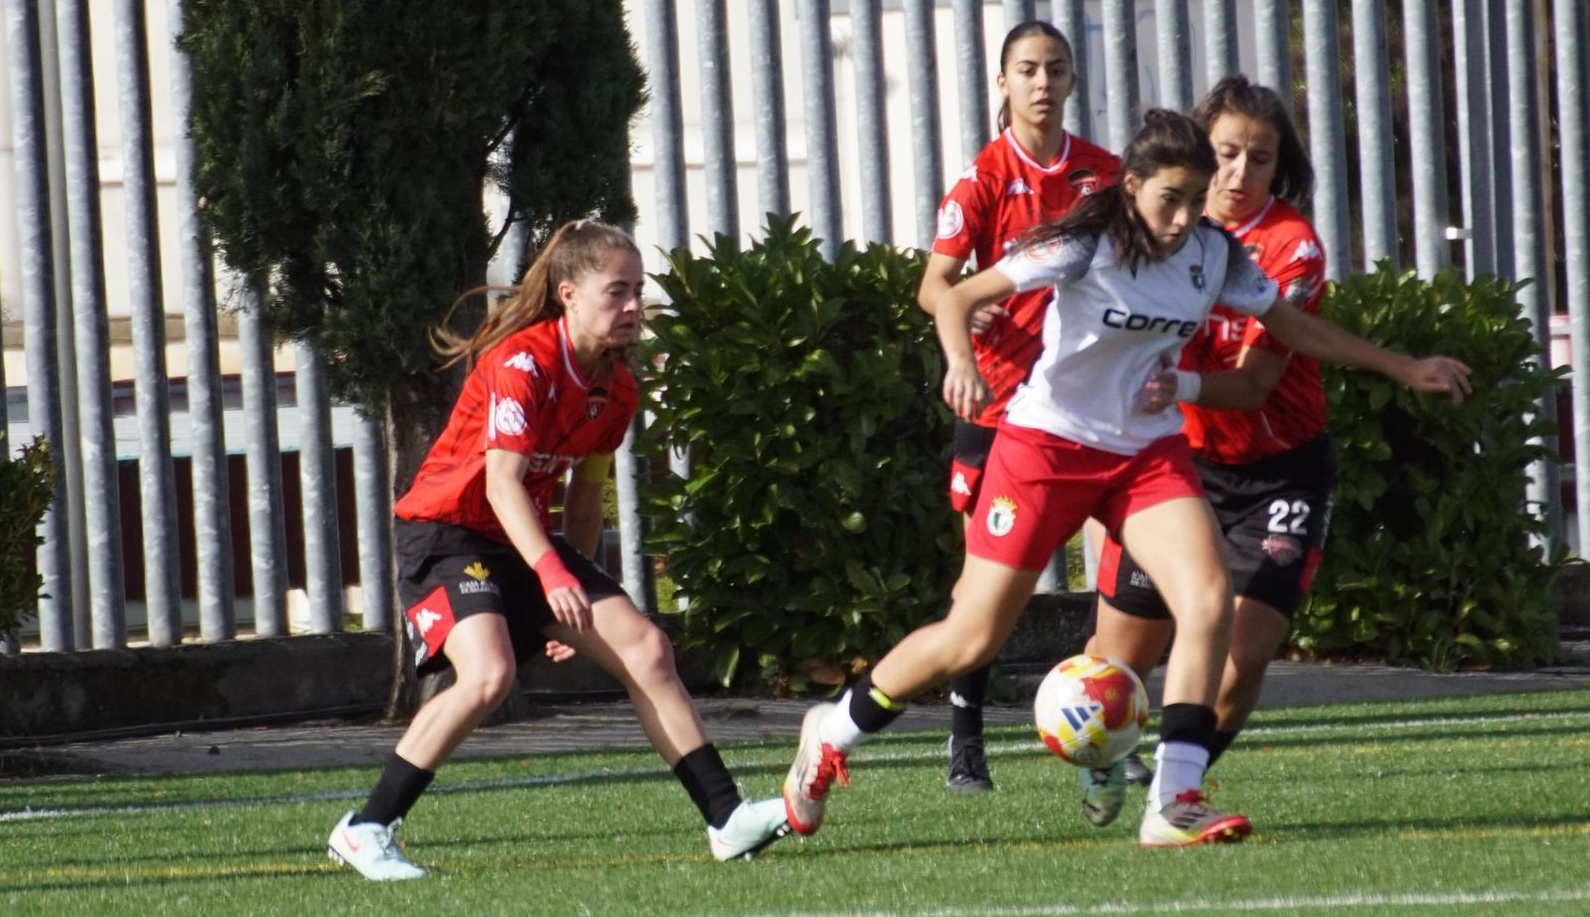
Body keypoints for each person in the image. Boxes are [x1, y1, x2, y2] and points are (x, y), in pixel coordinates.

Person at [780, 110, 1471, 848]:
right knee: (972, 637)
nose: (1182, 219)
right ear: (1133, 185)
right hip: (1046, 447)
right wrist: (961, 361)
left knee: (1208, 603)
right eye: (1169, 199)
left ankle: (1173, 802)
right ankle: (831, 731)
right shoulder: (1086, 240)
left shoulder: (1215, 253)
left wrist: (1404, 367)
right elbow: (953, 294)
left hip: (1144, 455)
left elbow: (1294, 329)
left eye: (1195, 199)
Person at [328, 220, 788, 880]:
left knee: (648, 649)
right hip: (447, 533)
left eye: (639, 291)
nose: (633, 307)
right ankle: (366, 827)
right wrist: (552, 576)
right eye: (616, 292)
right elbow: (501, 484)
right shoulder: (524, 364)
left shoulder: (619, 389)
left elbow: (582, 499)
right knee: (488, 676)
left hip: (524, 539)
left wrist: (569, 589)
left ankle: (725, 818)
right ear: (568, 293)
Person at [1077, 74, 1350, 827]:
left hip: (1280, 471)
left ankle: (1178, 786)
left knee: (1245, 652)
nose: (1238, 173)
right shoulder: (1156, 225)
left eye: (1259, 159)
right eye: (1226, 153)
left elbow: (1257, 383)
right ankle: (1102, 763)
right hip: (1176, 465)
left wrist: (1180, 385)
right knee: (1114, 667)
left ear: (1278, 167)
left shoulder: (1291, 248)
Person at [917, 19, 1119, 792]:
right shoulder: (983, 177)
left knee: (1120, 566)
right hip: (1000, 405)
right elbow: (935, 283)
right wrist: (963, 321)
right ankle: (966, 740)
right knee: (987, 582)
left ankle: (1108, 732)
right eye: (1027, 69)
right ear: (1002, 82)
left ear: (1071, 82)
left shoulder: (1105, 175)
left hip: (1089, 398)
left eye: (1056, 69)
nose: (1042, 82)